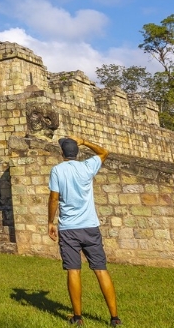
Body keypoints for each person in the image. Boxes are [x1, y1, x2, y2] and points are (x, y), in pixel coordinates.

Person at [48, 136, 120, 326]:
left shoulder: (57, 170)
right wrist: (86, 141)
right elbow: (104, 152)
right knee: (100, 269)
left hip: (69, 228)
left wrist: (50, 222)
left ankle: (78, 317)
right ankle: (114, 318)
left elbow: (54, 199)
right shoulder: (88, 166)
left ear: (62, 153)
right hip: (90, 226)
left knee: (73, 270)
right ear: (77, 152)